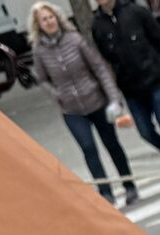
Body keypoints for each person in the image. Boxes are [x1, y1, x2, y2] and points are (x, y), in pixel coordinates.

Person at [28, 3, 140, 206]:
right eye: (44, 20)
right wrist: (56, 94)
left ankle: (129, 185)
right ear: (38, 25)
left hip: (95, 100)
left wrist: (113, 99)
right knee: (88, 148)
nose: (49, 22)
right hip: (71, 109)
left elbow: (99, 68)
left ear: (58, 18)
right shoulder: (39, 51)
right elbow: (42, 79)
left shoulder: (75, 39)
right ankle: (105, 193)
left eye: (51, 17)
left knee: (112, 144)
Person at [90, 0, 160, 189]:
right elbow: (105, 55)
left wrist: (151, 61)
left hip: (154, 80)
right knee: (145, 132)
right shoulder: (98, 25)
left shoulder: (135, 11)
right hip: (130, 87)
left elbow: (159, 38)